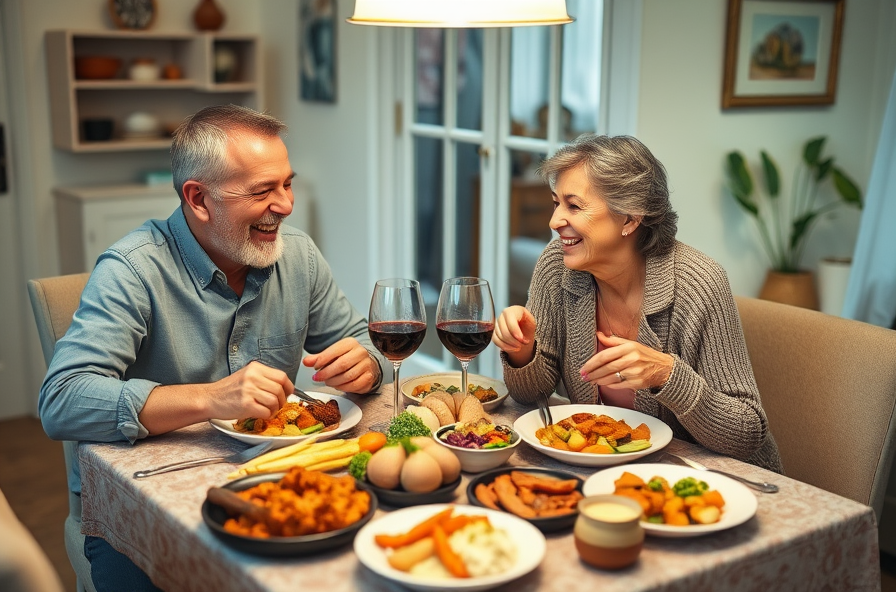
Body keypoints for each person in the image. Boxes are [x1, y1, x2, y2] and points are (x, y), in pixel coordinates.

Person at [38, 104, 386, 590]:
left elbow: (366, 342)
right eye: (262, 190)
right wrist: (208, 397)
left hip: (275, 485)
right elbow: (61, 400)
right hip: (146, 503)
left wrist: (367, 363)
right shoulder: (131, 269)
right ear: (198, 199)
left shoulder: (298, 255)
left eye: (287, 184)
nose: (285, 205)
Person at [492, 134, 783, 473]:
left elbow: (746, 432)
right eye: (556, 203)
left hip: (718, 480)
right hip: (610, 474)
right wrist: (522, 351)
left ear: (629, 219)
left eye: (573, 205)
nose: (555, 221)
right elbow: (531, 394)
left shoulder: (700, 283)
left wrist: (666, 375)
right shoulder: (558, 264)